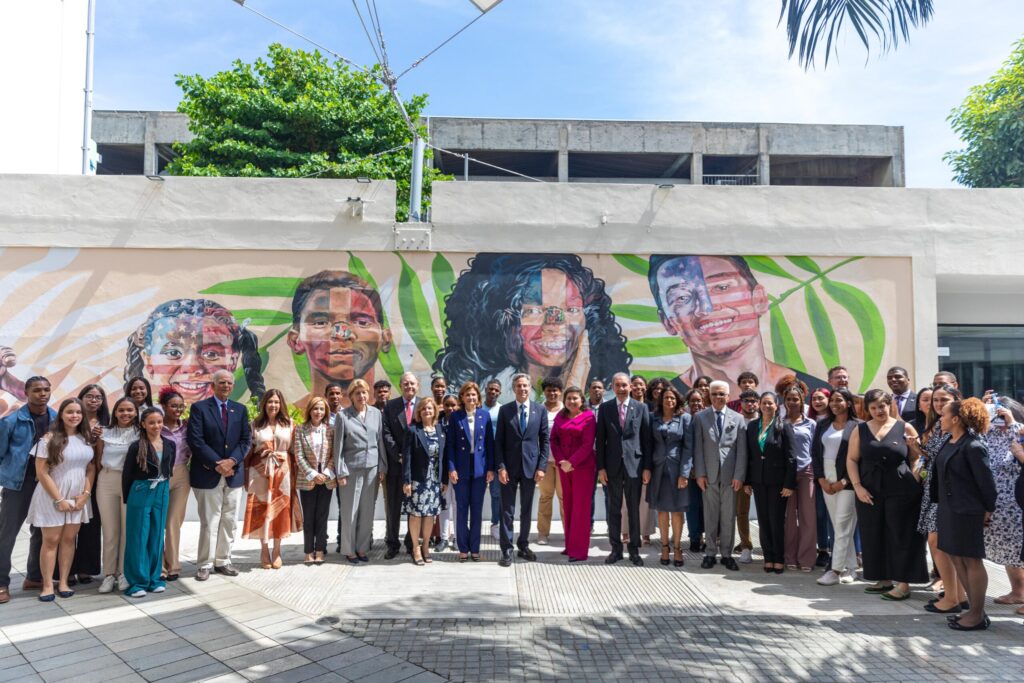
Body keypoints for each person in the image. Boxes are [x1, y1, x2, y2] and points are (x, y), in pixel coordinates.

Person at [434, 253, 631, 402]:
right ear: (504, 321)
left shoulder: (607, 393)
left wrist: (578, 377)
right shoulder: (486, 392)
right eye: (535, 311)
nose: (554, 325)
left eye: (571, 309)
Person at [648, 255, 829, 400]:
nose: (706, 308)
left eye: (722, 287)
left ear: (759, 299)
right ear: (667, 322)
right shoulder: (664, 403)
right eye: (682, 297)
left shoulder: (815, 397)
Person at [847, 389, 927, 601]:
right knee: (874, 533)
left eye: (882, 406)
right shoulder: (860, 429)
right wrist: (858, 487)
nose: (878, 411)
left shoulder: (905, 426)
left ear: (890, 405)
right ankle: (883, 578)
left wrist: (915, 476)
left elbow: (917, 457)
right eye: (873, 407)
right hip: (869, 489)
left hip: (901, 488)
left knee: (900, 534)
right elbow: (852, 459)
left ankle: (903, 582)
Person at [932, 398, 998, 631]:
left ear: (956, 419)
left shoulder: (973, 446)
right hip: (949, 509)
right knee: (956, 557)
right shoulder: (948, 441)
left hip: (967, 510)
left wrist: (988, 510)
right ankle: (974, 611)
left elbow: (986, 482)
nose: (940, 418)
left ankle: (977, 614)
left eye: (944, 414)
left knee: (971, 559)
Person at [126, 298, 265, 405]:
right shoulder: (145, 420)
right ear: (148, 362)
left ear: (232, 362)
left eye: (211, 354)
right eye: (173, 353)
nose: (192, 368)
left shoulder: (236, 415)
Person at [287, 271, 393, 407]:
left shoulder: (388, 416)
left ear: (385, 338)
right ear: (295, 340)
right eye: (320, 322)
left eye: (362, 322)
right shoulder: (289, 418)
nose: (342, 335)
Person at [26, 398, 95, 601]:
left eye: (78, 412)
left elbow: (91, 468)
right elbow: (41, 472)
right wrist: (59, 500)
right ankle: (47, 585)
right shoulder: (49, 439)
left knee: (68, 540)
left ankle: (63, 581)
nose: (74, 416)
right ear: (61, 415)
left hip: (78, 497)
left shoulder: (85, 438)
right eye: (69, 412)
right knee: (51, 540)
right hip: (52, 496)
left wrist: (86, 495)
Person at [186, 369, 252, 581]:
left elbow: (245, 440)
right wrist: (218, 463)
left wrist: (232, 461)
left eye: (229, 383)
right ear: (213, 386)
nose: (225, 386)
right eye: (221, 383)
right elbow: (196, 441)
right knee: (209, 521)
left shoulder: (239, 410)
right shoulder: (199, 408)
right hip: (208, 473)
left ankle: (223, 560)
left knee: (230, 520)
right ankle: (205, 563)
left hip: (234, 474)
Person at [0, 377, 55, 604]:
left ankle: (34, 576)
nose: (42, 394)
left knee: (41, 531)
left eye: (46, 390)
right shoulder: (12, 420)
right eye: (37, 390)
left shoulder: (56, 418)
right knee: (6, 534)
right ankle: (2, 583)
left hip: (46, 484)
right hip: (18, 485)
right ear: (26, 392)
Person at [916, 384, 968, 613]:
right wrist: (920, 453)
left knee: (937, 542)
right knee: (939, 544)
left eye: (943, 399)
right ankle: (955, 594)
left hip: (950, 491)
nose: (937, 404)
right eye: (934, 400)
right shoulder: (937, 423)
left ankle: (954, 596)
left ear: (956, 399)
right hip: (933, 489)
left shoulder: (958, 423)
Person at [596, 372, 652, 566]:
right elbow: (600, 440)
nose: (621, 388)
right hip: (611, 467)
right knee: (613, 509)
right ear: (612, 387)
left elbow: (646, 440)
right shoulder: (605, 408)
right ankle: (615, 549)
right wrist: (601, 467)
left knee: (634, 509)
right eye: (617, 385)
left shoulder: (641, 408)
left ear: (630, 387)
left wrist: (647, 467)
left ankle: (634, 550)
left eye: (624, 385)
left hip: (634, 467)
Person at [494, 373, 549, 567]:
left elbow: (544, 441)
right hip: (508, 469)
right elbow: (498, 442)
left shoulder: (539, 410)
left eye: (525, 386)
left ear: (530, 387)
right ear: (513, 388)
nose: (522, 389)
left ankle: (523, 545)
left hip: (530, 468)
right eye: (518, 386)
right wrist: (500, 467)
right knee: (507, 511)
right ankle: (506, 549)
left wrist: (542, 467)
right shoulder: (505, 410)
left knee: (526, 511)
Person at [242, 389, 301, 569]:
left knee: (280, 511)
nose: (273, 405)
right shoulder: (255, 425)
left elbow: (294, 453)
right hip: (260, 472)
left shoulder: (290, 424)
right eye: (269, 402)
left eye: (276, 402)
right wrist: (245, 476)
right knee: (262, 512)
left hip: (283, 472)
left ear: (281, 404)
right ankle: (264, 550)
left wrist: (296, 478)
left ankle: (276, 550)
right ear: (264, 404)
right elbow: (248, 452)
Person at [693, 380, 747, 571]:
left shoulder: (738, 418)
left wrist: (739, 475)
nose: (718, 397)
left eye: (722, 394)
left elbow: (742, 450)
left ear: (728, 396)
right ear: (709, 395)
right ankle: (709, 553)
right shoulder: (700, 418)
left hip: (730, 476)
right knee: (710, 516)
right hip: (708, 476)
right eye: (714, 394)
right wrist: (699, 473)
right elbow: (698, 448)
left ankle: (727, 554)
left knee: (728, 517)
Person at [121, 407, 174, 598]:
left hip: (162, 490)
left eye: (159, 422)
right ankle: (137, 581)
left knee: (157, 534)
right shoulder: (137, 446)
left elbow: (169, 469)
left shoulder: (169, 444)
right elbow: (127, 474)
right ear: (143, 424)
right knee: (138, 535)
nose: (156, 426)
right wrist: (128, 497)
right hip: (141, 490)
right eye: (151, 422)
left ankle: (154, 578)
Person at [333, 379, 386, 564]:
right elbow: (337, 446)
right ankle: (349, 549)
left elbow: (379, 442)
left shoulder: (376, 414)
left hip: (372, 468)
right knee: (350, 512)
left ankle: (362, 548)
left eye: (364, 392)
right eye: (358, 393)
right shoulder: (343, 416)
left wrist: (382, 466)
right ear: (351, 396)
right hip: (351, 470)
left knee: (367, 511)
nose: (362, 396)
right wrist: (340, 472)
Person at [811, 389, 860, 585]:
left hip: (847, 479)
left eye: (839, 400)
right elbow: (815, 453)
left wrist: (845, 481)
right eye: (832, 400)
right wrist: (821, 478)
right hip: (826, 476)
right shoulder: (822, 424)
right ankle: (851, 567)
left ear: (848, 403)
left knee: (842, 524)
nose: (834, 403)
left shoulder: (857, 426)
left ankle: (835, 569)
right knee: (840, 525)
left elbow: (859, 458)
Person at [980, 397, 1024, 613]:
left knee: (1019, 547)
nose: (999, 420)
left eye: (1002, 415)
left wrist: (1012, 422)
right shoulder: (988, 434)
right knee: (1008, 550)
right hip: (995, 503)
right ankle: (1018, 591)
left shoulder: (1020, 432)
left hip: (1016, 503)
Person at [744, 392, 794, 573]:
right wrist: (747, 481)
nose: (766, 406)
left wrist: (789, 484)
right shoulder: (751, 427)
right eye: (764, 403)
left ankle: (779, 558)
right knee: (763, 520)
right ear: (759, 405)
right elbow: (749, 456)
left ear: (777, 406)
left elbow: (791, 457)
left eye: (770, 403)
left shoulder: (784, 427)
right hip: (758, 481)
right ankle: (768, 557)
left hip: (778, 482)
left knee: (776, 520)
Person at [445, 382, 494, 561]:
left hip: (480, 471)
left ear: (478, 398)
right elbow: (450, 445)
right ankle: (463, 548)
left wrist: (490, 468)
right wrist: (452, 468)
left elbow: (490, 444)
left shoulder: (485, 415)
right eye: (467, 395)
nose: (471, 398)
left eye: (474, 395)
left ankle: (475, 549)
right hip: (461, 470)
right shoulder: (455, 417)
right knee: (461, 510)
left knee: (477, 510)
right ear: (462, 398)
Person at [96, 398, 139, 594]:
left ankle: (123, 573)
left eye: (130, 410)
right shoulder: (104, 432)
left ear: (136, 412)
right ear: (115, 412)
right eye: (121, 410)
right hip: (107, 481)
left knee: (126, 530)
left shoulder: (141, 433)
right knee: (110, 530)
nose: (125, 414)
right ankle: (108, 575)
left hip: (130, 482)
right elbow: (97, 461)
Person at [551, 386, 597, 562]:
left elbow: (587, 445)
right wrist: (562, 461)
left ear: (582, 400)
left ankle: (579, 551)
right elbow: (553, 439)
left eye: (575, 398)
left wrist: (572, 462)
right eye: (568, 398)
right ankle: (570, 545)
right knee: (568, 506)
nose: (571, 401)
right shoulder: (560, 416)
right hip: (564, 468)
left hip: (582, 468)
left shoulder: (589, 417)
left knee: (580, 509)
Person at [647, 387, 692, 568]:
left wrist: (684, 473)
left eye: (673, 398)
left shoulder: (685, 419)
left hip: (677, 470)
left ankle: (677, 547)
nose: (669, 401)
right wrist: (647, 469)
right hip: (658, 470)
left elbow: (689, 448)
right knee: (662, 510)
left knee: (677, 510)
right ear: (661, 400)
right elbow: (648, 445)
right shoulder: (652, 418)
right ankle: (664, 547)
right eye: (666, 397)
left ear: (678, 400)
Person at [403, 398, 447, 566]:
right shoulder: (413, 430)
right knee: (415, 515)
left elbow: (443, 457)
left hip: (434, 481)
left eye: (430, 408)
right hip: (417, 481)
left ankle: (426, 546)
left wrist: (443, 480)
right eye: (424, 409)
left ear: (434, 411)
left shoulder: (440, 429)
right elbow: (407, 458)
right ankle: (415, 548)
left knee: (430, 515)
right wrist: (406, 481)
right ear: (419, 412)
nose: (427, 411)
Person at [71, 384, 107, 585]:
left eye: (98, 397)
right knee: (69, 526)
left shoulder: (107, 424)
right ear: (81, 398)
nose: (94, 400)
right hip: (72, 477)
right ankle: (67, 569)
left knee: (91, 526)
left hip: (98, 480)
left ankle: (86, 568)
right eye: (90, 396)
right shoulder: (73, 418)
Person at [293, 396, 336, 565]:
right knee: (309, 517)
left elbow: (334, 454)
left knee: (322, 516)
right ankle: (308, 551)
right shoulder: (300, 429)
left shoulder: (331, 429)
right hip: (307, 479)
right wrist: (312, 474)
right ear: (309, 410)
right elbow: (299, 455)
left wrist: (325, 473)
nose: (318, 412)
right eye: (315, 409)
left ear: (325, 411)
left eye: (321, 409)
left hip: (326, 479)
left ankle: (320, 550)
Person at [382, 372, 419, 559]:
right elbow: (386, 433)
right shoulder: (390, 406)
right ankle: (392, 544)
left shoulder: (423, 405)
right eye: (405, 383)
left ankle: (412, 543)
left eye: (412, 383)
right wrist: (399, 455)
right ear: (400, 385)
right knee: (393, 507)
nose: (409, 386)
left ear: (417, 385)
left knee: (414, 508)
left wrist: (414, 457)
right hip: (396, 465)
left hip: (417, 468)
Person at [781, 386, 818, 572]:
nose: (792, 402)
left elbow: (815, 449)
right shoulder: (779, 423)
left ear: (802, 401)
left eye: (796, 399)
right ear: (784, 401)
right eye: (789, 399)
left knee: (808, 517)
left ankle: (806, 559)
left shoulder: (811, 424)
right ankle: (789, 557)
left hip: (807, 472)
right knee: (788, 518)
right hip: (787, 474)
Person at [159, 388, 190, 581]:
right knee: (158, 521)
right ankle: (159, 566)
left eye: (181, 406)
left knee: (173, 522)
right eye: (173, 406)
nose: (177, 409)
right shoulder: (155, 424)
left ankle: (173, 565)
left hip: (181, 474)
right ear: (164, 406)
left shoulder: (186, 426)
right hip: (159, 475)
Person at [536, 377, 565, 546]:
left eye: (555, 390)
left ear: (560, 392)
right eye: (549, 390)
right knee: (546, 497)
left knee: (564, 498)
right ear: (544, 392)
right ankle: (542, 533)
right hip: (545, 462)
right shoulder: (539, 410)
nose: (552, 393)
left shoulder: (565, 410)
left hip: (563, 463)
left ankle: (568, 531)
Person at [733, 389, 760, 563]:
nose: (750, 404)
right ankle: (745, 546)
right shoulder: (735, 421)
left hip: (763, 474)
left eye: (753, 401)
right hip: (742, 474)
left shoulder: (765, 421)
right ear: (740, 403)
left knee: (766, 513)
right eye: (746, 401)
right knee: (741, 512)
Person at [436, 394, 460, 549]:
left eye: (453, 405)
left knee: (458, 504)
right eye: (447, 405)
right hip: (441, 471)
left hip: (458, 469)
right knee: (444, 504)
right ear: (442, 406)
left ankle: (458, 537)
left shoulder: (460, 421)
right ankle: (444, 538)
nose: (450, 408)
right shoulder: (437, 423)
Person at [684, 389, 706, 552]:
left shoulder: (708, 419)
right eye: (693, 401)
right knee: (692, 505)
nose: (696, 404)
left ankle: (706, 535)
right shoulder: (684, 420)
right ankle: (694, 538)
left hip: (708, 471)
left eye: (699, 401)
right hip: (690, 472)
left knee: (706, 506)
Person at [484, 379, 503, 541]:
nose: (493, 392)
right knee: (474, 494)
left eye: (496, 390)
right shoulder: (477, 408)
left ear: (500, 392)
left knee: (496, 493)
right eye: (491, 389)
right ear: (485, 390)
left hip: (496, 458)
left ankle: (495, 524)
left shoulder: (503, 410)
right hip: (479, 457)